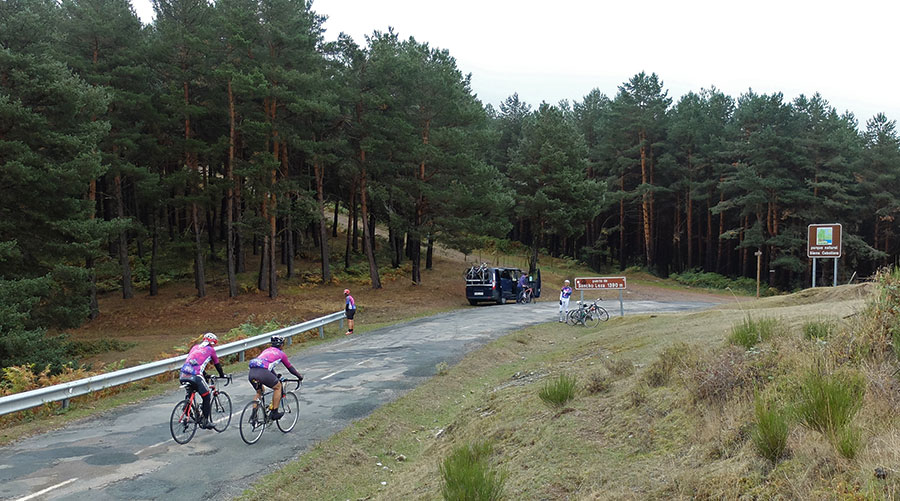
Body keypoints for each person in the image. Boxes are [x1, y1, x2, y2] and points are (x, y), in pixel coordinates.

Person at [247, 335, 303, 420]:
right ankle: (274, 413)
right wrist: (299, 376)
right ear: (281, 345)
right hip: (262, 372)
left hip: (252, 372)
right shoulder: (281, 354)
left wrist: (275, 376)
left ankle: (254, 415)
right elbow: (290, 368)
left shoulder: (266, 350)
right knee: (278, 387)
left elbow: (268, 366)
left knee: (259, 391)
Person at [179, 332, 226, 429]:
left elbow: (195, 363)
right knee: (207, 396)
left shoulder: (195, 347)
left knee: (191, 390)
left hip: (183, 374)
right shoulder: (211, 350)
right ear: (213, 343)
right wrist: (222, 375)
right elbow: (217, 364)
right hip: (195, 375)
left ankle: (187, 406)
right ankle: (205, 421)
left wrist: (205, 375)